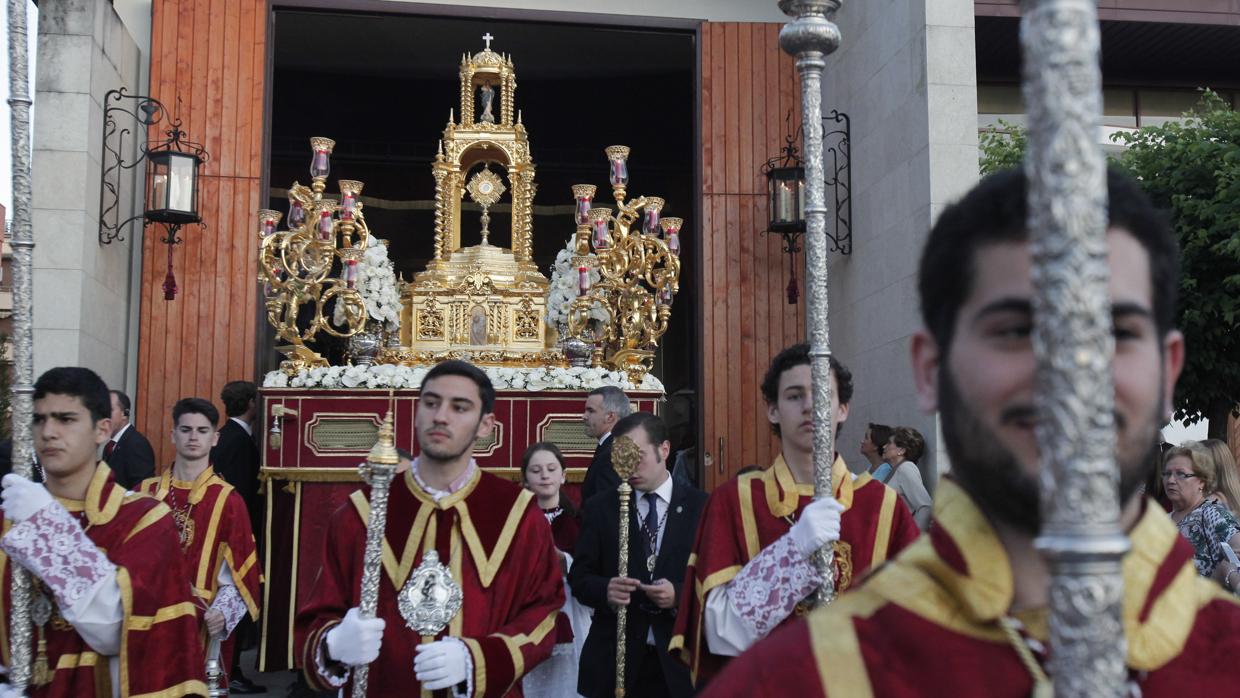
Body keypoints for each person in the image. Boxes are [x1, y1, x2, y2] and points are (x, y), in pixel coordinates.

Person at [705, 168, 1240, 696]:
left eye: (1112, 331)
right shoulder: (791, 681)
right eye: (1014, 330)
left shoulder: (1226, 650)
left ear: (1168, 370)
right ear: (931, 370)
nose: (1068, 371)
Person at [296, 360, 564, 695]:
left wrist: (477, 660)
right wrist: (332, 645)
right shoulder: (359, 514)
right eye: (431, 402)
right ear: (417, 412)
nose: (441, 416)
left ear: (486, 425)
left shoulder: (519, 515)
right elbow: (319, 616)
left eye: (460, 407)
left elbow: (543, 614)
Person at [670, 344, 921, 687]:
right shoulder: (735, 500)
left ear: (843, 409)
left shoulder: (882, 506)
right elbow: (720, 633)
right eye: (793, 396)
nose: (809, 406)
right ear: (772, 410)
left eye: (822, 394)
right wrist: (793, 550)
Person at [0, 367, 205, 696]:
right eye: (39, 419)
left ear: (102, 429)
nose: (49, 432)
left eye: (66, 419)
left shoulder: (143, 518)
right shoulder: (9, 519)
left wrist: (46, 526)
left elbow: (113, 628)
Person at [570, 412, 707, 698]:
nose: (629, 465)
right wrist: (606, 589)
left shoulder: (702, 508)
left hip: (679, 663)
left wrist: (679, 596)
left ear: (664, 450)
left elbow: (717, 582)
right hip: (615, 661)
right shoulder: (601, 508)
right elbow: (580, 578)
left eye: (639, 454)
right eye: (622, 456)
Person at [136, 397, 262, 693]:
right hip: (146, 624)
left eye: (202, 431)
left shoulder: (229, 500)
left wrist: (222, 613)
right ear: (173, 434)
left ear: (215, 438)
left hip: (201, 629)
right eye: (186, 429)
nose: (193, 437)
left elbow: (243, 573)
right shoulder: (143, 493)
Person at [520, 442, 590, 698]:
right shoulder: (516, 521)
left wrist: (565, 562)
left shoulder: (579, 521)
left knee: (567, 682)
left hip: (571, 607)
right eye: (536, 470)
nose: (544, 475)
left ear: (563, 474)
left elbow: (591, 568)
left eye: (551, 469)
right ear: (526, 479)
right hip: (527, 608)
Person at [1164, 444, 1240, 590]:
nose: (1171, 480)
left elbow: (1237, 545)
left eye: (1181, 474)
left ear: (1201, 481)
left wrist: (1222, 573)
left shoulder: (1210, 513)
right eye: (1167, 474)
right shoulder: (1162, 520)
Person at [580, 386, 631, 502]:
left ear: (610, 417)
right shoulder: (609, 447)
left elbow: (607, 505)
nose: (584, 416)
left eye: (591, 411)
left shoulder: (612, 454)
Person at [881, 427, 933, 530]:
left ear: (901, 450)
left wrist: (913, 540)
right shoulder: (895, 470)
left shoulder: (906, 468)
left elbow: (925, 507)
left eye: (889, 443)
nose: (884, 446)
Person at [104, 389, 155, 488]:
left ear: (124, 414)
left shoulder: (137, 444)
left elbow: (142, 489)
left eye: (109, 410)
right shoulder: (109, 446)